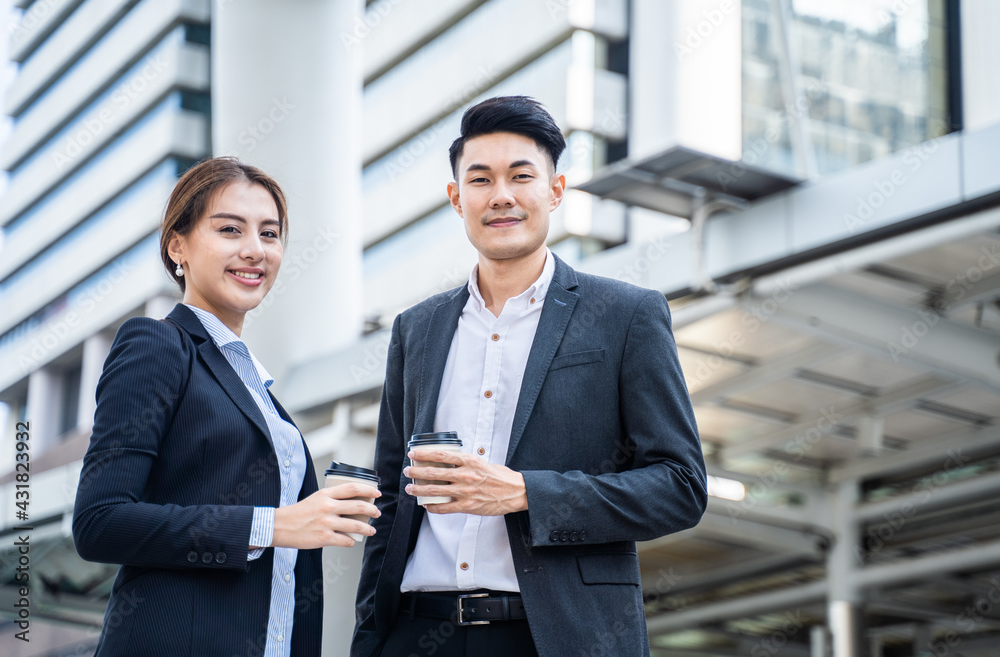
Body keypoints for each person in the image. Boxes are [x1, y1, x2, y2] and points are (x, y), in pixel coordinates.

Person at [352, 97, 707, 657]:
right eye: (480, 179)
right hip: (417, 632)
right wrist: (371, 637)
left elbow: (681, 487)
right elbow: (393, 498)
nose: (501, 196)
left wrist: (525, 493)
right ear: (456, 198)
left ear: (555, 190)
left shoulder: (625, 315)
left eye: (522, 176)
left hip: (554, 635)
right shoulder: (415, 330)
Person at [73, 156, 380, 657]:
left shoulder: (261, 392)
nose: (254, 251)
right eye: (230, 230)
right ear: (178, 245)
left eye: (270, 234)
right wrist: (275, 525)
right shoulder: (157, 345)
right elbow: (100, 522)